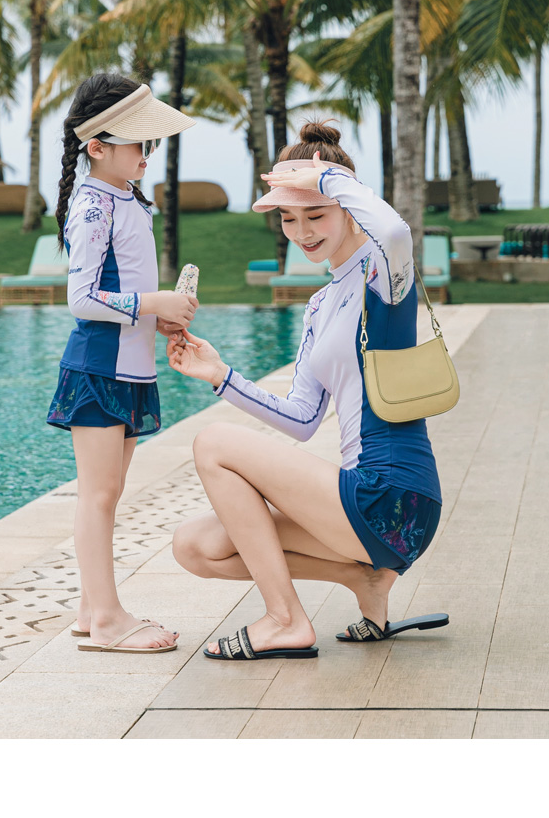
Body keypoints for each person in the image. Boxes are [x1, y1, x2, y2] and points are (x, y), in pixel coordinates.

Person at [167, 122, 446, 661]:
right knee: (195, 547)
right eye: (288, 218)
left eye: (316, 214)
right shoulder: (320, 304)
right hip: (359, 505)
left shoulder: (383, 276)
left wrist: (328, 178)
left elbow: (395, 231)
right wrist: (220, 376)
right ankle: (364, 580)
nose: (301, 232)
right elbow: (301, 419)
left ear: (348, 207)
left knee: (213, 443)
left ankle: (285, 620)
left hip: (393, 497)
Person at [47, 73, 198, 654]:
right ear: (97, 147)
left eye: (150, 142)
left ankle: (92, 611)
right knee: (98, 495)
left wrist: (161, 318)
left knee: (106, 493)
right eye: (138, 142)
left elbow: (124, 282)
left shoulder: (128, 198)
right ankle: (108, 620)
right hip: (98, 369)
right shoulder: (92, 204)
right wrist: (152, 304)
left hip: (130, 370)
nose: (147, 153)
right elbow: (82, 299)